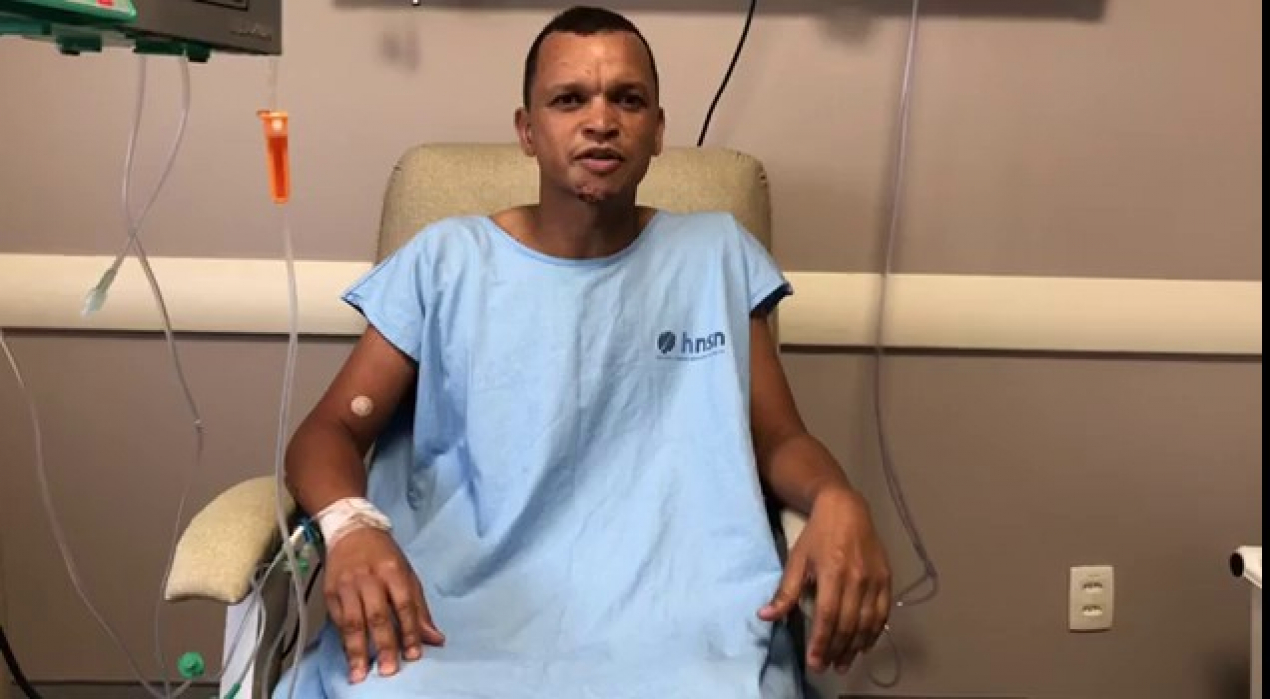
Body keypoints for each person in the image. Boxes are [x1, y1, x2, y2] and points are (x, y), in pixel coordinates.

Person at [278, 6, 892, 697]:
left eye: (627, 99)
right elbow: (330, 430)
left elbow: (780, 439)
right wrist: (351, 525)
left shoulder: (715, 256)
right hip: (454, 613)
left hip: (682, 616)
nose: (601, 120)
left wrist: (837, 496)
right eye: (570, 99)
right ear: (527, 131)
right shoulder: (447, 262)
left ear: (658, 129)